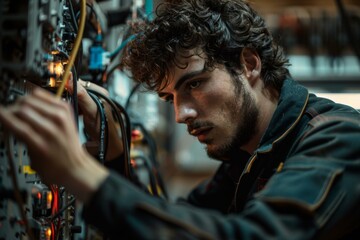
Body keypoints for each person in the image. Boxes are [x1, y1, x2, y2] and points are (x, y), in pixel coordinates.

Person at [0, 0, 360, 239]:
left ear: (249, 64)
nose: (180, 114)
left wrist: (80, 174)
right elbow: (175, 224)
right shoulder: (249, 156)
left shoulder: (339, 138)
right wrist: (113, 157)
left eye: (196, 84)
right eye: (170, 97)